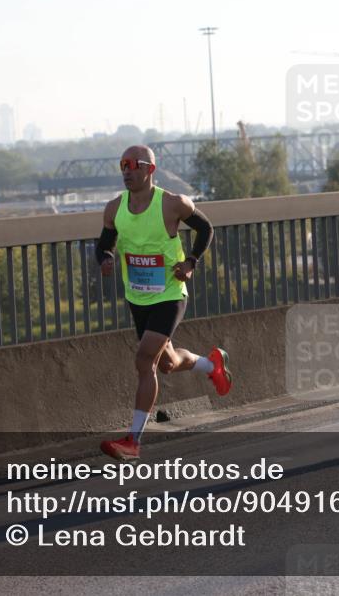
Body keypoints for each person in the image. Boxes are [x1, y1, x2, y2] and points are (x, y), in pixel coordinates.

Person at [97, 145, 232, 461]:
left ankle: (133, 440)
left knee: (144, 360)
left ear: (150, 169)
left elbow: (205, 228)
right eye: (122, 165)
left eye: (133, 164)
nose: (126, 171)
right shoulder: (114, 208)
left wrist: (191, 262)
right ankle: (213, 365)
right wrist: (104, 257)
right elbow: (105, 242)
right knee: (167, 363)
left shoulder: (172, 204)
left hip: (170, 294)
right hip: (138, 296)